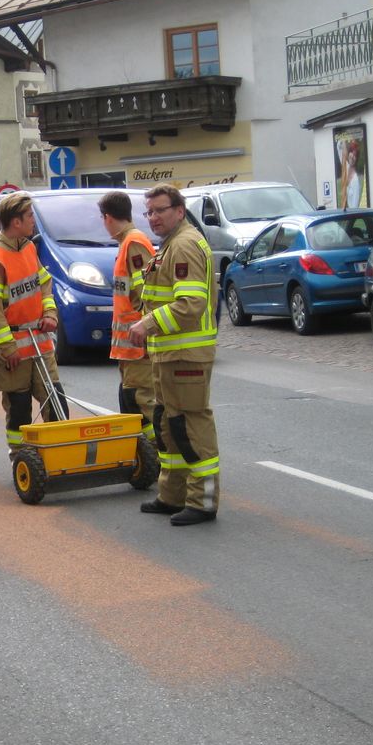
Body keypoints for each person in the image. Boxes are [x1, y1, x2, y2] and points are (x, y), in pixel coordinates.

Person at [127, 184, 220, 526]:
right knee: (168, 423)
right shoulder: (170, 246)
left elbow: (191, 305)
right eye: (149, 211)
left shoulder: (183, 245)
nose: (153, 217)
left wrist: (146, 324)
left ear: (179, 211)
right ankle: (173, 495)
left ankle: (203, 501)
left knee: (191, 426)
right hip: (169, 354)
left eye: (160, 210)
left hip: (186, 355)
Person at [0, 191, 68, 453]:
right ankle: (21, 458)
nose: (33, 222)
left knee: (55, 399)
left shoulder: (28, 248)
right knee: (19, 409)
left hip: (39, 343)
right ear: (15, 221)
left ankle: (60, 455)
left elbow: (44, 284)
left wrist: (50, 314)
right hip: (13, 350)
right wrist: (7, 348)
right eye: (29, 217)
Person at [99, 190, 157, 444]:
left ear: (108, 217)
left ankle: (156, 452)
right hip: (130, 345)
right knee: (132, 399)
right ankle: (146, 453)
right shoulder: (128, 244)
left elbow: (147, 293)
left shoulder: (133, 243)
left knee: (141, 401)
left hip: (137, 343)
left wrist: (146, 331)